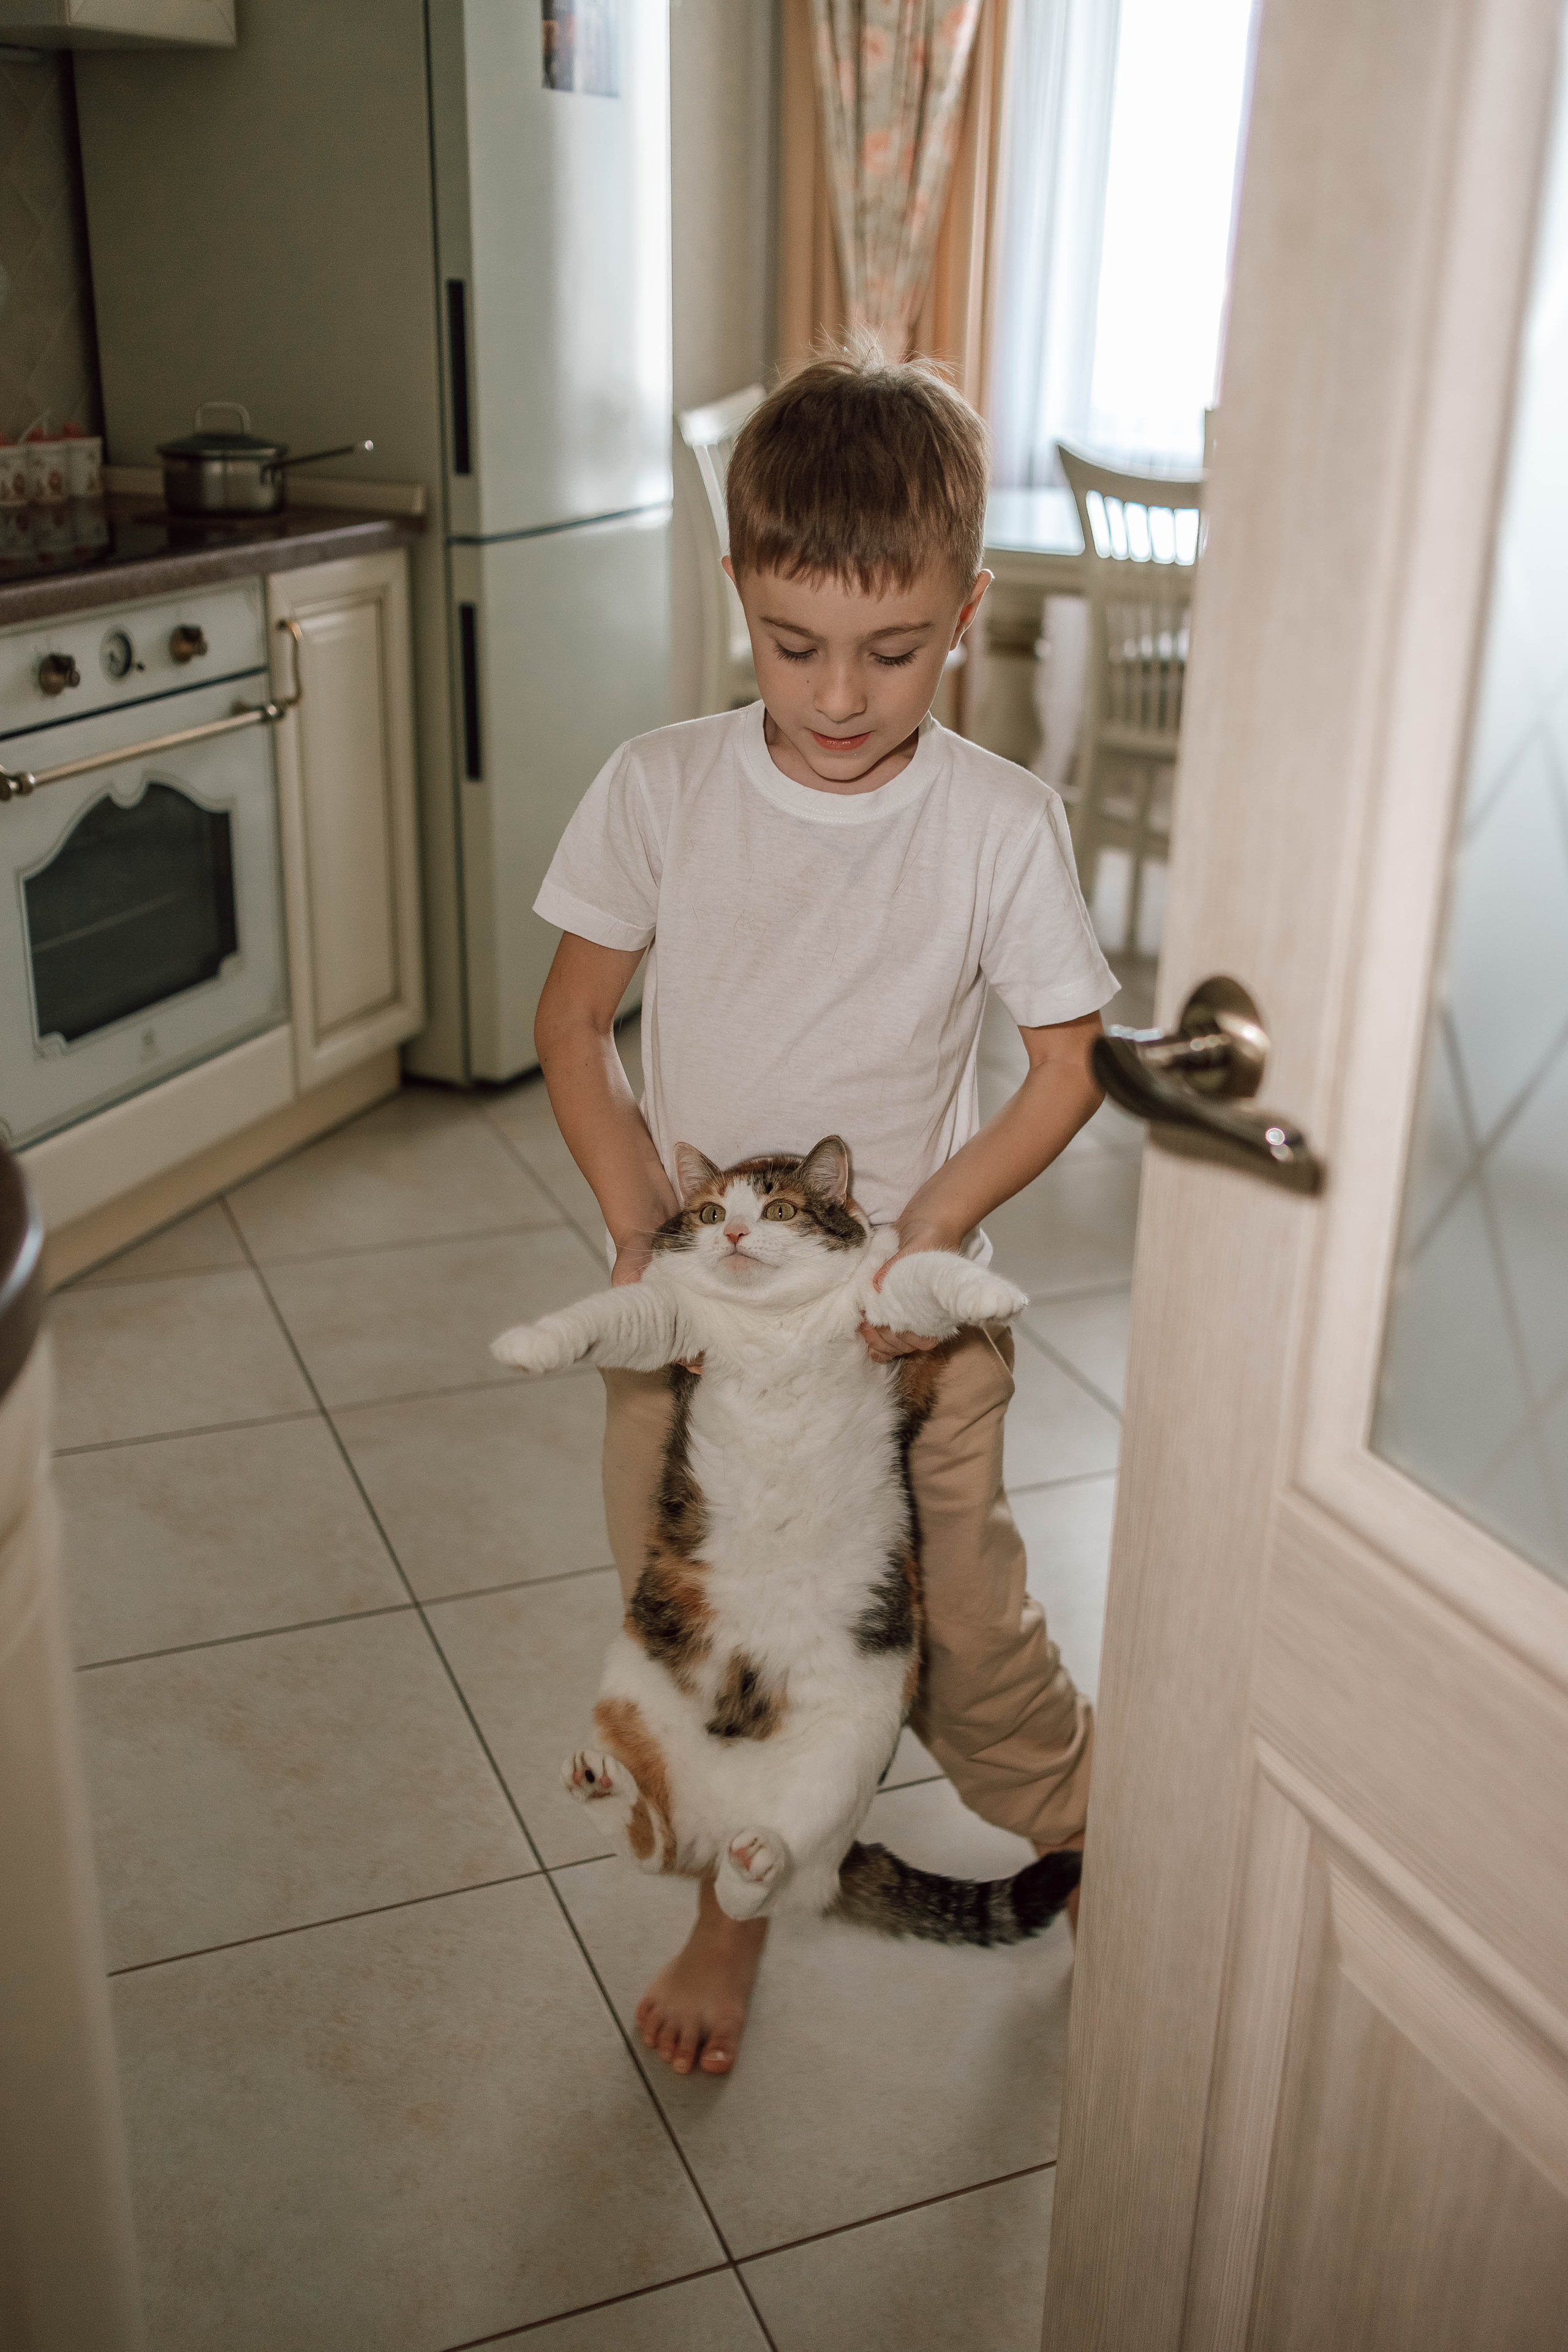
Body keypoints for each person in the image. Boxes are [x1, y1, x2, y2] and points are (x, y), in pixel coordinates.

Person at [531, 343, 1116, 2076]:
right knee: (711, 1628)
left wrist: (930, 1240)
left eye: (896, 647)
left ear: (968, 609)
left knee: (965, 1633)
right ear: (739, 598)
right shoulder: (661, 785)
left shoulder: (1001, 824)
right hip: (706, 1347)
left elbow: (1068, 1063)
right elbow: (573, 1026)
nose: (843, 695)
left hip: (906, 1351)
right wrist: (639, 1224)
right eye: (796, 647)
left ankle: (1123, 1840)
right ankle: (734, 1916)